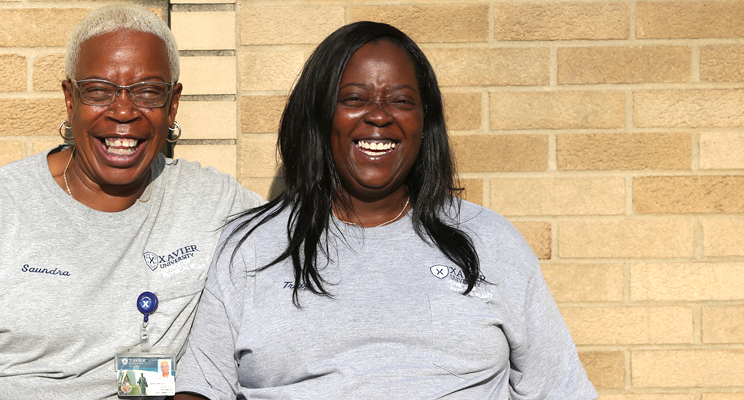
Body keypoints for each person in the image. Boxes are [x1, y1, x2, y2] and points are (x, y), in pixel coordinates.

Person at [0, 5, 262, 400]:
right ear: (70, 98)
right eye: (99, 91)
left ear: (172, 104)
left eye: (148, 93)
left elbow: (309, 236)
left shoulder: (212, 203)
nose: (123, 111)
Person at [174, 21, 598, 399]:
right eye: (355, 98)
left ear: (424, 121)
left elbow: (558, 387)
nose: (378, 116)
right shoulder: (249, 249)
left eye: (400, 101)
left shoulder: (490, 241)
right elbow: (202, 386)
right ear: (320, 116)